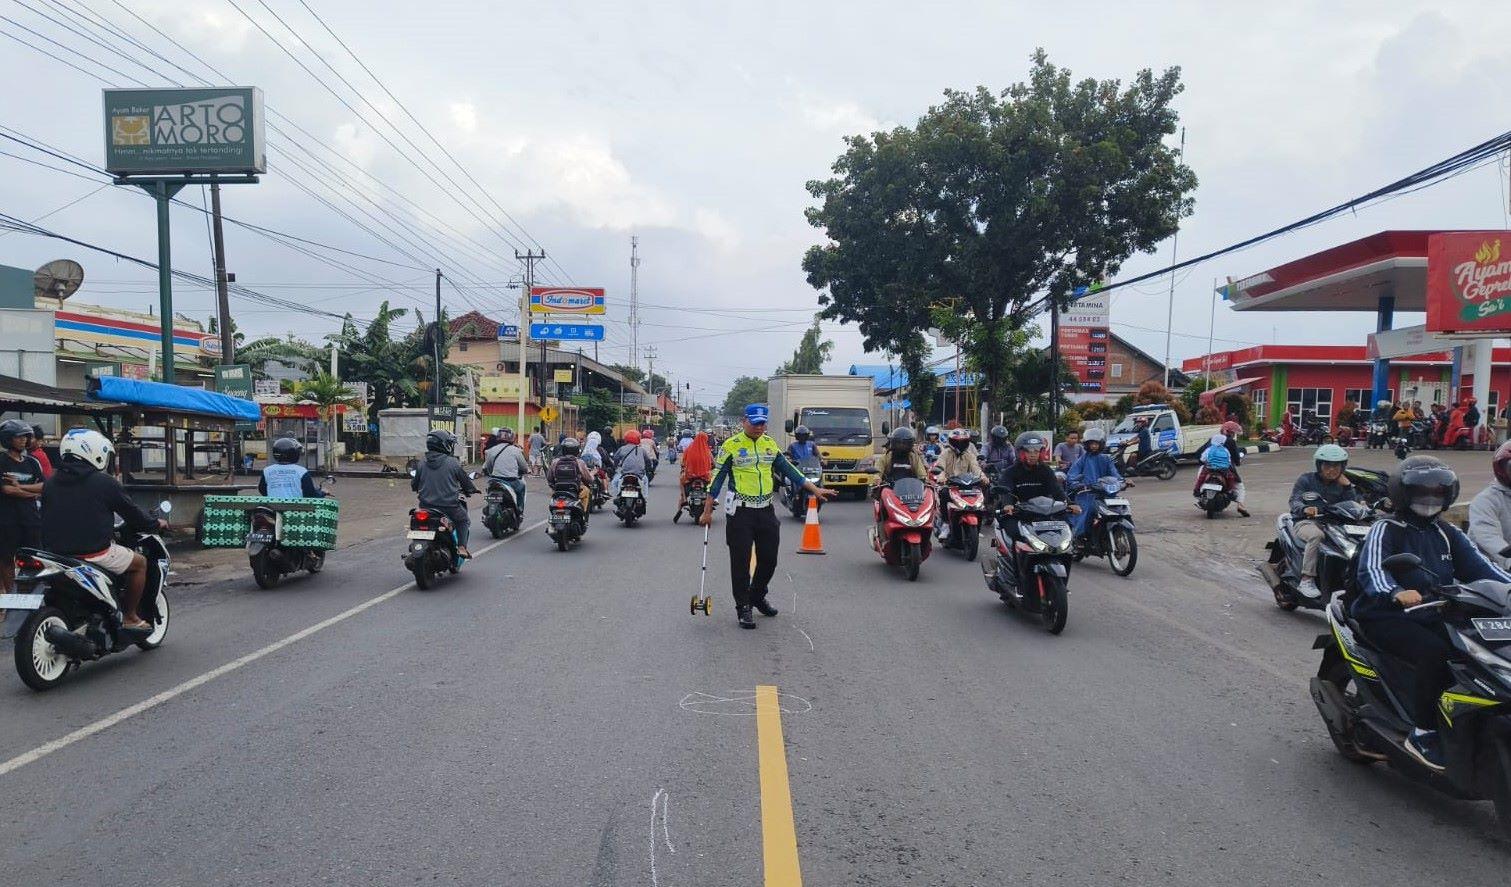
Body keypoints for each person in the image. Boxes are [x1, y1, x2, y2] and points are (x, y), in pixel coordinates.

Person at [1356, 456, 1511, 770]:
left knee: (1478, 650)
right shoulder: (1387, 528)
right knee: (1436, 653)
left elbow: (1483, 569)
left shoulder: (1447, 532)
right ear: (1403, 493)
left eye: (1437, 492)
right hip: (1385, 614)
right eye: (1421, 492)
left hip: (1434, 611)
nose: (1429, 499)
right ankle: (1423, 732)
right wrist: (1396, 592)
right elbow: (1372, 570)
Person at [701, 404, 835, 629]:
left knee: (769, 559)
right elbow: (717, 479)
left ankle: (756, 595)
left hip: (765, 510)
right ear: (744, 421)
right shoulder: (731, 445)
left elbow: (790, 470)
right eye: (755, 423)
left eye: (762, 423)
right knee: (741, 562)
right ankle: (743, 606)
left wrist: (815, 489)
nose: (759, 427)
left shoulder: (769, 444)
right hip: (741, 512)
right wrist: (707, 512)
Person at [39, 429, 166, 630]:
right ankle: (130, 617)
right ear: (95, 452)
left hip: (55, 553)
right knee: (140, 563)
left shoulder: (51, 482)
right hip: (93, 553)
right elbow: (132, 514)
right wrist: (155, 523)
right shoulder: (104, 482)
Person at [1285, 444, 1360, 598]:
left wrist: (1348, 488)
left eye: (1336, 466)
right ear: (1319, 465)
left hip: (1335, 524)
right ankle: (1307, 579)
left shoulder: (1343, 484)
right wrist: (1305, 509)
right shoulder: (1306, 479)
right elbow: (1295, 500)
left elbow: (1354, 505)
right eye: (1327, 466)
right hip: (1307, 522)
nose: (1332, 470)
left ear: (1343, 466)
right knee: (1316, 536)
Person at [411, 429, 478, 559]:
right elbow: (465, 481)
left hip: (426, 507)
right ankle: (462, 547)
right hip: (449, 507)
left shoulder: (421, 463)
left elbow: (414, 485)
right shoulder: (453, 462)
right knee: (463, 520)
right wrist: (471, 489)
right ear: (443, 444)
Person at [996, 432, 1075, 535]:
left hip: (1044, 511)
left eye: (1036, 451)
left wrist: (1070, 504)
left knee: (1068, 528)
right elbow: (1006, 491)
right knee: (1014, 532)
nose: (1033, 454)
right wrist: (1008, 504)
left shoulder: (1046, 470)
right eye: (1028, 451)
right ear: (1020, 452)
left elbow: (1057, 490)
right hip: (1018, 512)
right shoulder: (1010, 472)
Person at [0, 419, 44, 597]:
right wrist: (31, 493)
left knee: (33, 558)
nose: (23, 440)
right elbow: (7, 490)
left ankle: (31, 595)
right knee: (6, 559)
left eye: (25, 437)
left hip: (31, 520)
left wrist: (21, 488)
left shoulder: (33, 462)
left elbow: (43, 487)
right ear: (8, 439)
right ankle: (11, 597)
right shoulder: (2, 461)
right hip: (7, 521)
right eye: (19, 437)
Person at [1067, 427, 1121, 540]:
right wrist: (1076, 484)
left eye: (1096, 444)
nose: (1094, 446)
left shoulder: (1106, 459)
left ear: (1101, 444)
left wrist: (1123, 481)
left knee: (1118, 508)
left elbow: (1115, 474)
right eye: (1091, 444)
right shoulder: (1082, 459)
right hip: (1087, 493)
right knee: (1084, 512)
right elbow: (1072, 475)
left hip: (1105, 493)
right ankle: (1078, 538)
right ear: (1087, 445)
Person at [1469, 440, 1511, 570]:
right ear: (1502, 469)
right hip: (1488, 568)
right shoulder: (1486, 500)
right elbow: (1489, 537)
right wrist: (1509, 561)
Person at [1195, 433, 1248, 516]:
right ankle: (1231, 492)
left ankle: (1197, 490)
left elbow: (1202, 458)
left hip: (1209, 469)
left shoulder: (1209, 449)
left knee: (1201, 478)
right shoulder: (1226, 449)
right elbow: (1229, 460)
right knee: (1231, 479)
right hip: (1223, 470)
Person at [259, 438, 328, 498]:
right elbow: (310, 494)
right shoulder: (302, 471)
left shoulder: (267, 471)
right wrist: (322, 493)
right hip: (297, 508)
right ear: (293, 453)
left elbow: (262, 489)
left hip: (273, 507)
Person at [483, 427, 531, 511]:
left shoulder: (491, 450)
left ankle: (489, 509)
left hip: (495, 480)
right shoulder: (516, 450)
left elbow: (487, 467)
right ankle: (520, 510)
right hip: (511, 481)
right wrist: (526, 470)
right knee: (521, 487)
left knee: (489, 491)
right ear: (512, 437)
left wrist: (492, 473)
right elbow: (523, 467)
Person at [547, 436, 595, 517]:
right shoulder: (580, 462)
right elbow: (588, 479)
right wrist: (592, 476)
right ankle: (583, 515)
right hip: (576, 490)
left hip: (558, 490)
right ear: (576, 450)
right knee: (587, 491)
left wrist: (553, 486)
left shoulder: (555, 462)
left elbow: (549, 479)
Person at [677, 430, 714, 517]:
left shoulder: (689, 449)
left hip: (690, 476)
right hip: (705, 477)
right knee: (713, 484)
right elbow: (713, 463)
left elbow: (683, 462)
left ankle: (684, 499)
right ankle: (714, 499)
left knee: (681, 482)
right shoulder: (707, 450)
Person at [612, 429, 650, 496]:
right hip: (639, 474)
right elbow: (648, 461)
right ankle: (645, 497)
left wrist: (615, 467)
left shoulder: (622, 448)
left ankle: (617, 496)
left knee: (614, 482)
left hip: (624, 474)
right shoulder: (642, 450)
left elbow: (615, 458)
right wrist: (649, 468)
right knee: (646, 481)